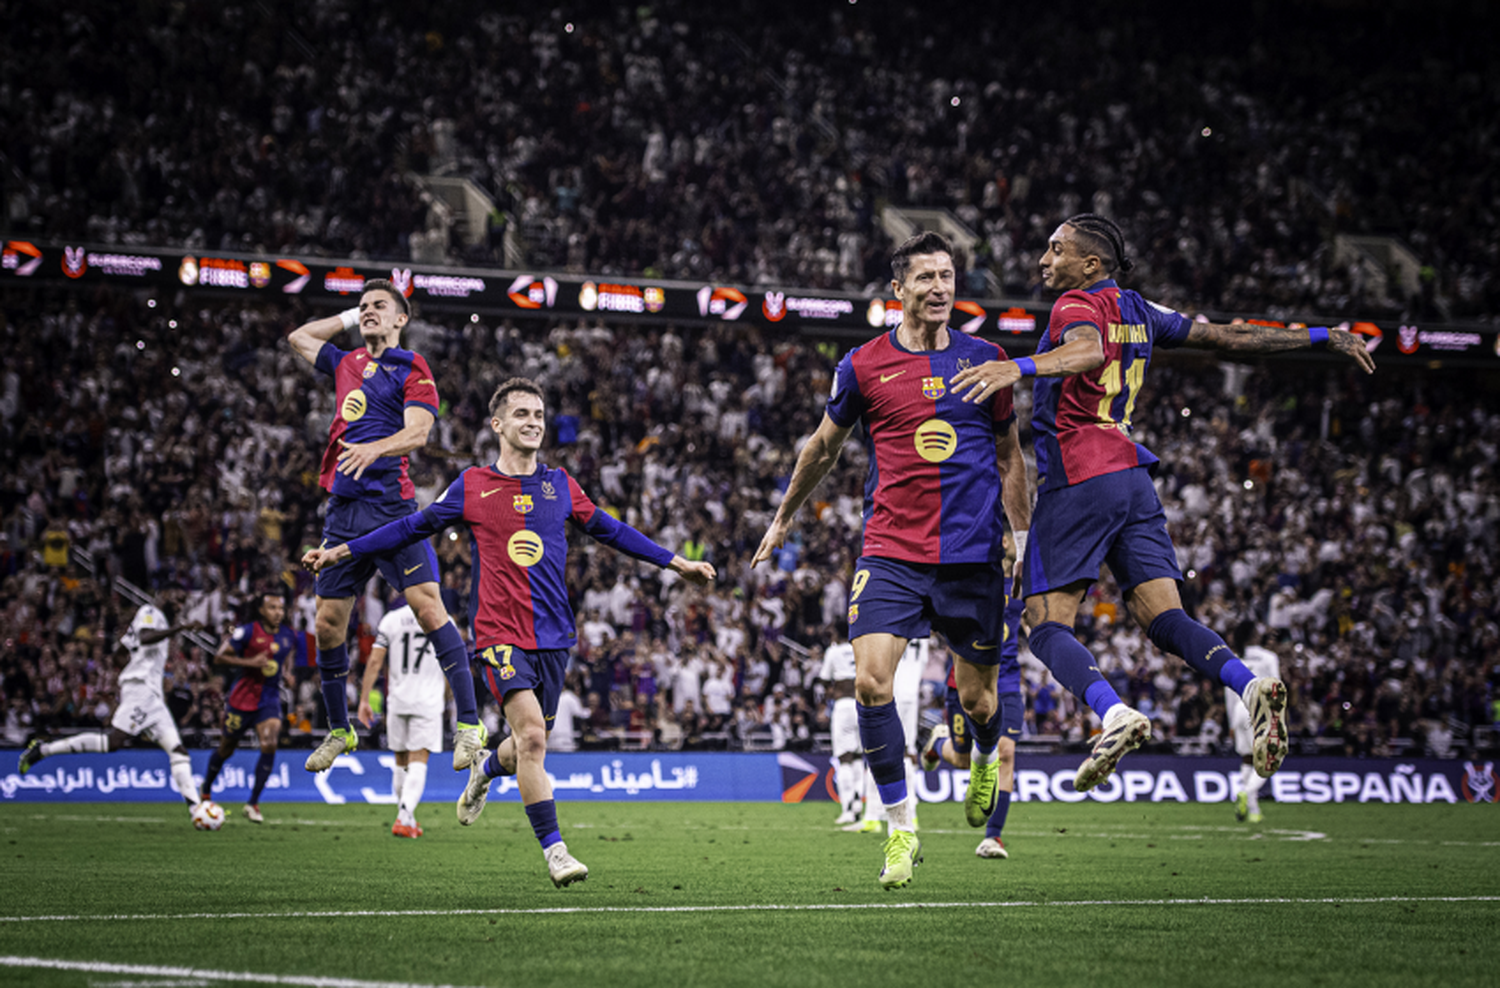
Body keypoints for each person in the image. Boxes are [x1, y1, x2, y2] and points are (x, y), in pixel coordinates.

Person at [951, 212, 1376, 791]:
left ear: (1090, 264)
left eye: (1056, 250)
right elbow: (1230, 337)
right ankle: (1248, 684)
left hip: (1079, 475)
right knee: (1164, 617)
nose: (1044, 260)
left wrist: (1016, 367)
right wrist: (1324, 336)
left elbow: (1086, 351)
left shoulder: (1076, 306)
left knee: (1044, 625)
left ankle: (1114, 714)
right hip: (1133, 479)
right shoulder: (1143, 311)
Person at [303, 377, 716, 887]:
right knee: (534, 739)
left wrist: (674, 563)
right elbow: (411, 527)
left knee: (523, 745)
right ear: (497, 424)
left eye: (539, 415)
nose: (534, 423)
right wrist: (343, 550)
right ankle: (556, 852)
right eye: (522, 414)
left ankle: (484, 772)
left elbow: (610, 529)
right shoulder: (472, 485)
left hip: (554, 636)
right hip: (499, 635)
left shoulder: (560, 485)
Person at [753, 231, 1032, 891]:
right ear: (898, 290)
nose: (940, 288)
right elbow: (822, 447)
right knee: (872, 683)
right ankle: (902, 828)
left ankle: (985, 752)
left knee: (979, 699)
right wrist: (784, 513)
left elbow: (1009, 452)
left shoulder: (987, 360)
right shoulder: (863, 365)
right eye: (926, 278)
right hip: (891, 552)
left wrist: (1020, 532)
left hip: (971, 557)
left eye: (947, 275)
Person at [287, 278, 486, 774]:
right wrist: (352, 318)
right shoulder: (348, 362)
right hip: (343, 510)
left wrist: (374, 448)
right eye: (364, 307)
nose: (369, 311)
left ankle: (468, 724)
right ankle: (340, 730)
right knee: (328, 624)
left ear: (402, 319)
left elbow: (419, 431)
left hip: (392, 508)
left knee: (428, 608)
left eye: (380, 306)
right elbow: (299, 338)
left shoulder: (411, 366)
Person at [19, 595, 205, 819]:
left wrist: (133, 662)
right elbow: (145, 637)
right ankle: (44, 749)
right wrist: (181, 627)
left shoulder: (152, 620)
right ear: (164, 596)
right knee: (113, 741)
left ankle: (197, 811)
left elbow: (119, 654)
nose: (179, 604)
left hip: (153, 696)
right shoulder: (151, 613)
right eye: (176, 599)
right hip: (142, 689)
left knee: (178, 752)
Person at [921, 597, 1026, 858]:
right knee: (961, 759)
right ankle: (937, 744)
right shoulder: (971, 573)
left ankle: (992, 837)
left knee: (1005, 754)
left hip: (1007, 685)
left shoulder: (1020, 586)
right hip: (964, 685)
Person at [199, 591, 295, 823]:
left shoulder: (287, 635)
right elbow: (219, 657)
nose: (277, 613)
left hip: (269, 700)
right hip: (242, 700)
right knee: (226, 749)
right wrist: (249, 662)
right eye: (272, 608)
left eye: (280, 608)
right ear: (261, 610)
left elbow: (287, 654)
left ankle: (253, 803)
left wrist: (288, 672)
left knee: (270, 742)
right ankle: (205, 789)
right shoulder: (247, 632)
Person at [358, 599, 448, 838]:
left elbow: (375, 661)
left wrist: (364, 699)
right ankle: (404, 815)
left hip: (398, 700)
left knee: (401, 760)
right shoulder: (440, 617)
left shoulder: (391, 619)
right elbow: (451, 662)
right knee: (419, 758)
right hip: (427, 701)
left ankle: (406, 817)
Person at [1227, 621, 1281, 823]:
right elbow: (1275, 687)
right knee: (1269, 760)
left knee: (1248, 758)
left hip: (1239, 709)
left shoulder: (1234, 658)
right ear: (1255, 635)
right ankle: (1246, 791)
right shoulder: (1268, 658)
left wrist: (1232, 723)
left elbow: (1229, 693)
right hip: (1260, 709)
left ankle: (1254, 810)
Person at [815, 625, 862, 825]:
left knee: (844, 758)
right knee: (860, 756)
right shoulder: (861, 647)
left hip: (843, 706)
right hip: (863, 704)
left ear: (836, 634)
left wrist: (830, 691)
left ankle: (847, 809)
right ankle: (860, 803)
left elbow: (824, 679)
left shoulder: (833, 651)